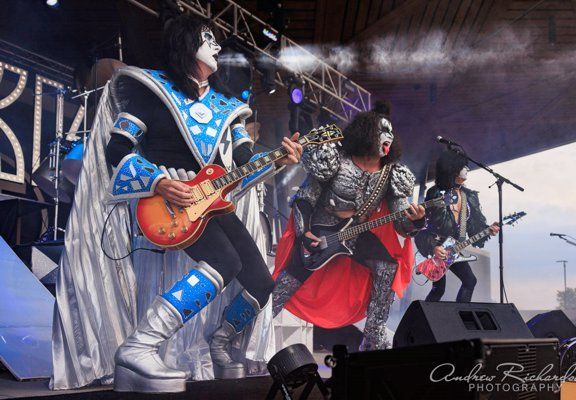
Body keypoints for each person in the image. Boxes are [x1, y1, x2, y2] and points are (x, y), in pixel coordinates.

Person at [53, 14, 302, 393]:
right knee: (224, 261)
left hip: (212, 200)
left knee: (261, 281)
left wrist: (278, 160)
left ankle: (219, 344)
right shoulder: (151, 91)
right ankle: (140, 345)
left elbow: (243, 164)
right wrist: (160, 182)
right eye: (209, 38)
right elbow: (116, 148)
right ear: (188, 44)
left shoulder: (228, 107)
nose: (218, 46)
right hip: (168, 199)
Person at [271, 102, 425, 351]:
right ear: (366, 135)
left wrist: (416, 222)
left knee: (386, 267)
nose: (388, 137)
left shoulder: (391, 173)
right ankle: (247, 329)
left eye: (390, 133)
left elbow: (400, 221)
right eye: (381, 132)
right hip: (320, 231)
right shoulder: (335, 159)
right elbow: (305, 198)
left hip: (356, 234)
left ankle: (373, 336)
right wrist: (304, 233)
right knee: (285, 285)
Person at [415, 150, 499, 303]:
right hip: (437, 248)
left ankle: (461, 317)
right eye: (463, 166)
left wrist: (488, 230)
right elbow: (423, 225)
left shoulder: (469, 196)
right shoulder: (435, 193)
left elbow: (474, 226)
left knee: (470, 281)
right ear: (452, 169)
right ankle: (423, 321)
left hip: (455, 248)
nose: (467, 169)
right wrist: (433, 247)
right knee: (439, 289)